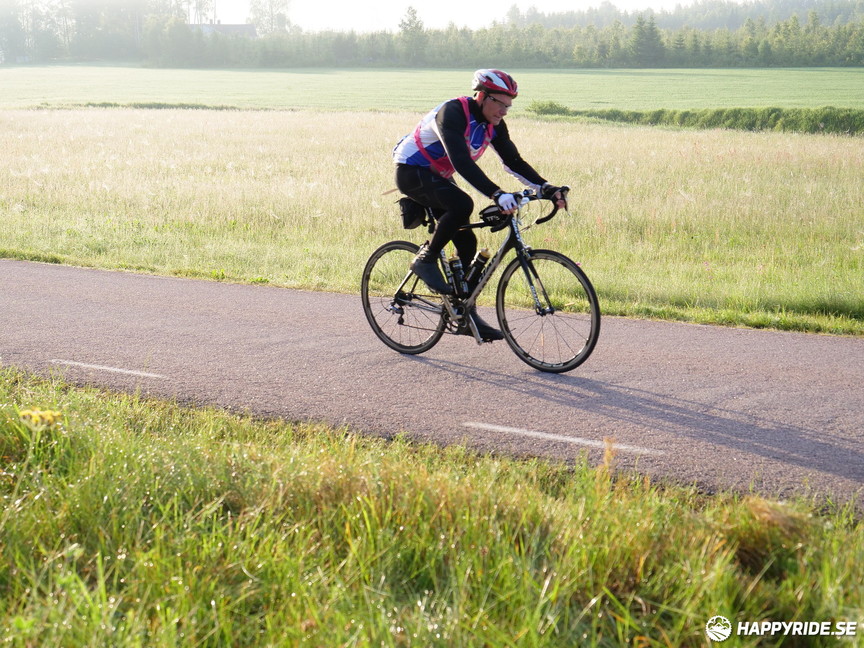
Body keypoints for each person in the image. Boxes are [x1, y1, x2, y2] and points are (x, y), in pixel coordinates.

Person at [392, 69, 567, 341]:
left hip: (438, 177)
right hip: (411, 171)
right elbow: (461, 162)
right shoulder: (452, 113)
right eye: (500, 103)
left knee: (467, 243)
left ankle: (463, 312)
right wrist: (497, 194)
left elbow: (514, 162)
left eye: (509, 106)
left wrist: (546, 187)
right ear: (483, 96)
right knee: (462, 204)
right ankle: (425, 261)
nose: (505, 111)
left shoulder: (493, 124)